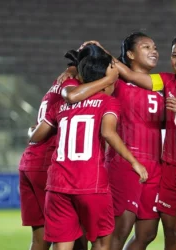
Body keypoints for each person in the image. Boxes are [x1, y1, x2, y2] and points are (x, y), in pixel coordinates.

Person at [85, 34, 176, 250]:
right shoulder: (142, 82)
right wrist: (92, 58)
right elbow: (119, 74)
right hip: (140, 165)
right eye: (175, 55)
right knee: (135, 230)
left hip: (172, 168)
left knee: (160, 233)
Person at [29, 53, 148, 250]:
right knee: (102, 243)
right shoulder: (108, 102)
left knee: (62, 246)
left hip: (57, 185)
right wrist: (134, 161)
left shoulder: (61, 103)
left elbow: (36, 135)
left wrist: (31, 131)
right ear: (106, 80)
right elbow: (108, 133)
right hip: (91, 184)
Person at [59, 32, 164, 250]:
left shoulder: (160, 85)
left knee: (147, 233)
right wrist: (74, 68)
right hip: (126, 163)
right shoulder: (116, 84)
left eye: (154, 47)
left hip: (155, 165)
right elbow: (95, 70)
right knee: (119, 231)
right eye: (146, 47)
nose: (153, 51)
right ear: (130, 54)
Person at [18, 48, 118, 250]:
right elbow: (72, 97)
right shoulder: (73, 86)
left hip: (32, 160)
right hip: (50, 165)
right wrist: (108, 80)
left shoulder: (57, 84)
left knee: (41, 240)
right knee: (72, 235)